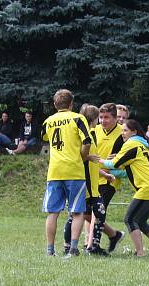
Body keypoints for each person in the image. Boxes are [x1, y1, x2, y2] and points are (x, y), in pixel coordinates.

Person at [99, 119, 149, 257]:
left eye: (125, 130)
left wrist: (97, 161)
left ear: (134, 132)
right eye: (122, 131)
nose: (122, 134)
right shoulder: (141, 145)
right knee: (140, 221)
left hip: (148, 187)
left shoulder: (131, 144)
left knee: (130, 219)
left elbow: (113, 163)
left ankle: (140, 252)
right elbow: (126, 172)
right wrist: (112, 169)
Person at [41, 89, 92, 257]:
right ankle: (73, 249)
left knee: (53, 212)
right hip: (74, 170)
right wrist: (83, 157)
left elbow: (44, 138)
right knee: (77, 211)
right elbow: (87, 141)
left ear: (55, 105)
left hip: (54, 171)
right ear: (71, 104)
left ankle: (50, 251)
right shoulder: (78, 118)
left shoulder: (48, 121)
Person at [62, 103, 110, 256]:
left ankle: (77, 245)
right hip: (85, 182)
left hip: (92, 182)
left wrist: (104, 174)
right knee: (90, 213)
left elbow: (93, 162)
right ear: (94, 119)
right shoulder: (86, 135)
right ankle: (89, 246)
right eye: (98, 118)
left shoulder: (91, 133)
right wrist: (88, 157)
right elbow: (82, 156)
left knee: (79, 214)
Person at [91, 103, 127, 253]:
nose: (103, 121)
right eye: (101, 117)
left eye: (106, 117)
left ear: (114, 118)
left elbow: (130, 155)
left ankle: (94, 246)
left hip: (110, 179)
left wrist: (119, 158)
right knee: (86, 213)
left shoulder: (123, 133)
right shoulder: (95, 130)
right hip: (93, 177)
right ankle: (114, 235)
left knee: (98, 212)